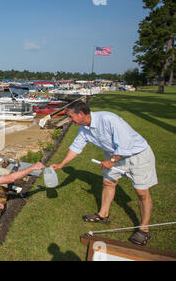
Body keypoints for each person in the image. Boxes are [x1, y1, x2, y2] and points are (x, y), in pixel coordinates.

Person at [50, 100, 157, 246]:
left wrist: (111, 161)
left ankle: (144, 229)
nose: (69, 120)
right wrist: (62, 164)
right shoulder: (83, 128)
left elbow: (125, 144)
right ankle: (103, 215)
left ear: (81, 114)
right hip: (114, 155)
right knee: (108, 182)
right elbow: (76, 147)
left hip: (137, 155)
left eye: (70, 116)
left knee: (141, 192)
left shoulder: (108, 119)